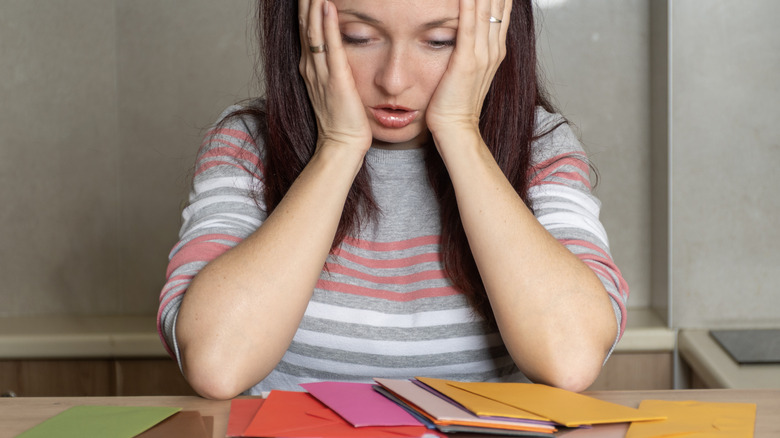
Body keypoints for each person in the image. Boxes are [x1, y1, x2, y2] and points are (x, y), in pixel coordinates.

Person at [158, 0, 629, 400]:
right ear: (305, 34)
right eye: (358, 36)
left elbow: (571, 359)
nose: (394, 79)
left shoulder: (540, 145)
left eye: (440, 41)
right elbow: (216, 365)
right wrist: (339, 147)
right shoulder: (247, 145)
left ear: (495, 38)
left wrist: (461, 136)